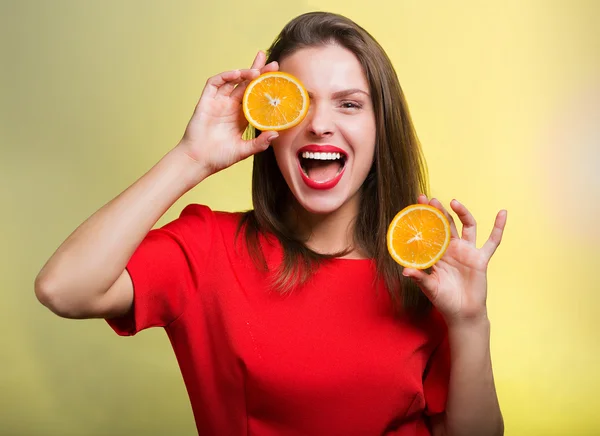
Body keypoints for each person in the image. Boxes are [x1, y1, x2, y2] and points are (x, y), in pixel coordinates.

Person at [34, 11, 506, 436]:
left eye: (349, 104)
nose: (320, 124)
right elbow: (64, 288)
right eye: (300, 102)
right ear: (269, 125)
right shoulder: (207, 248)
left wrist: (468, 322)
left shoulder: (422, 270)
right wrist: (191, 157)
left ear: (381, 128)